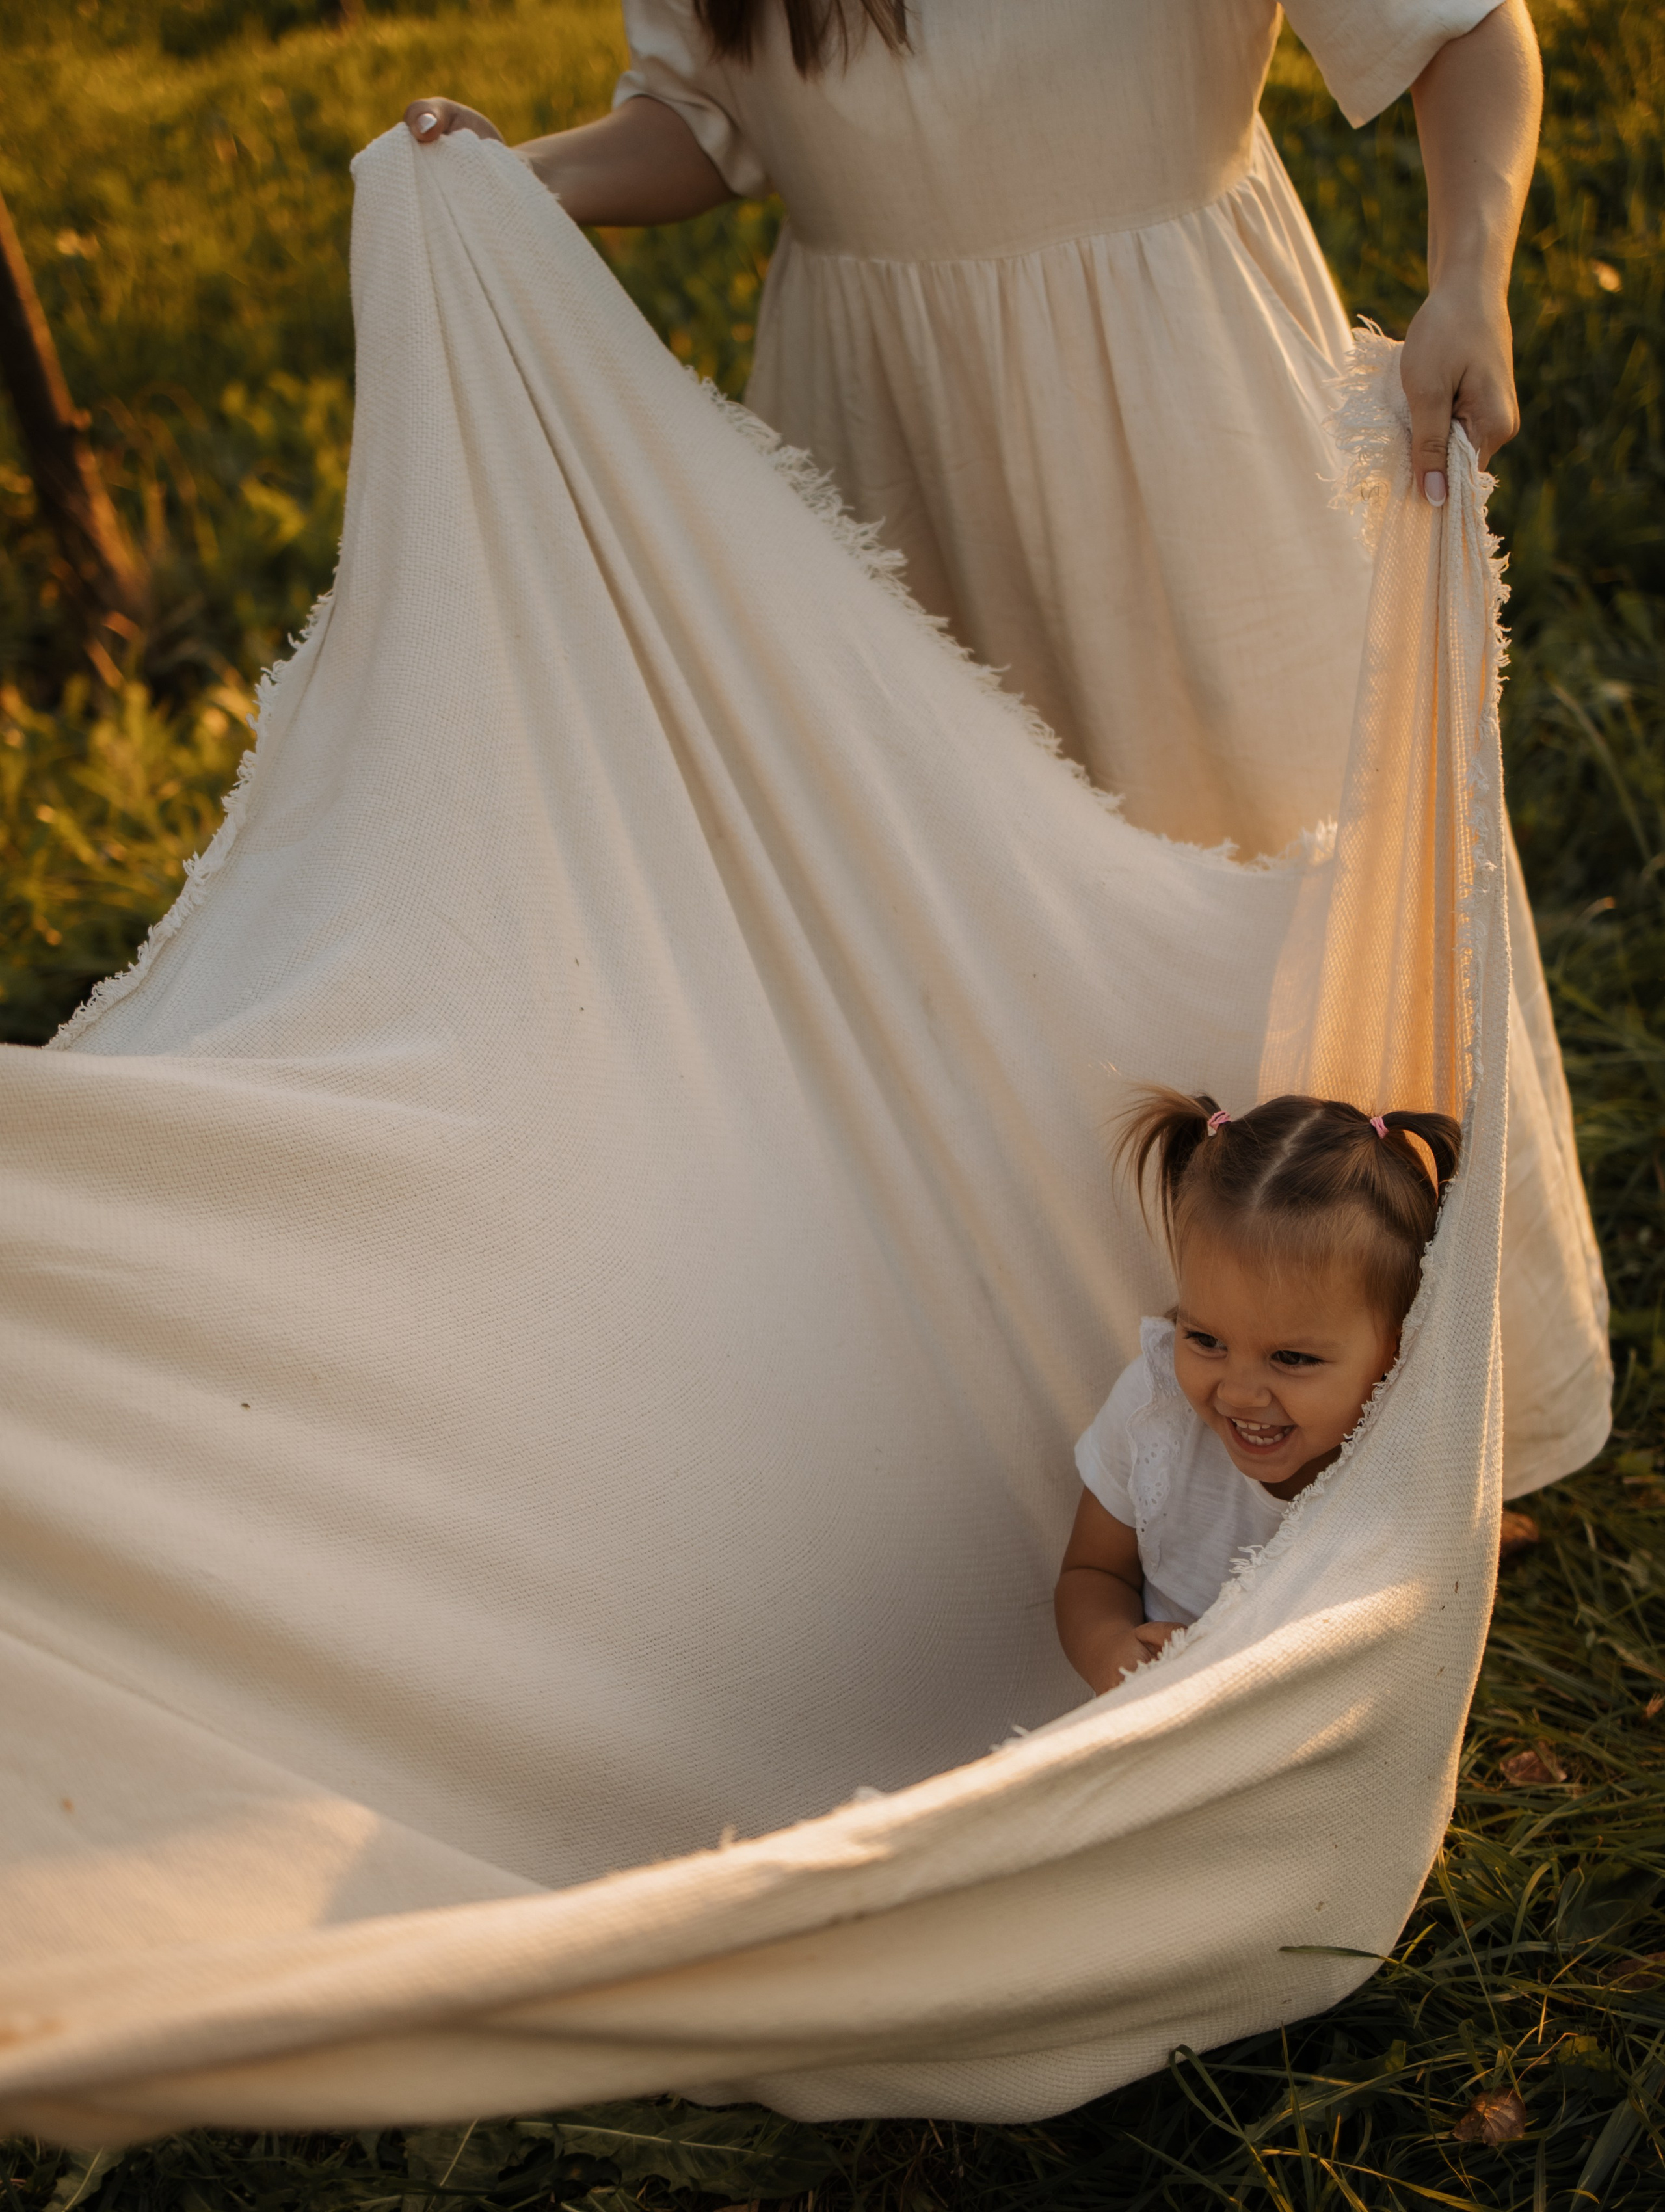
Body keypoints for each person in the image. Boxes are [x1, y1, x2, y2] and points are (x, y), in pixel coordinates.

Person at [403, 0, 1543, 860]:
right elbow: (710, 119)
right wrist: (513, 179)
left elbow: (1459, 24)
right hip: (880, 452)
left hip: (1188, 431)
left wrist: (1470, 279)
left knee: (1270, 856)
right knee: (945, 889)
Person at [1054, 1090, 1461, 1696]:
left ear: (1396, 1351)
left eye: (1292, 1358)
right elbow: (1091, 1571)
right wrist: (1110, 1648)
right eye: (1206, 1338)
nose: (1239, 1394)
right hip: (1154, 1717)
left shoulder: (1402, 1462)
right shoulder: (1154, 1408)